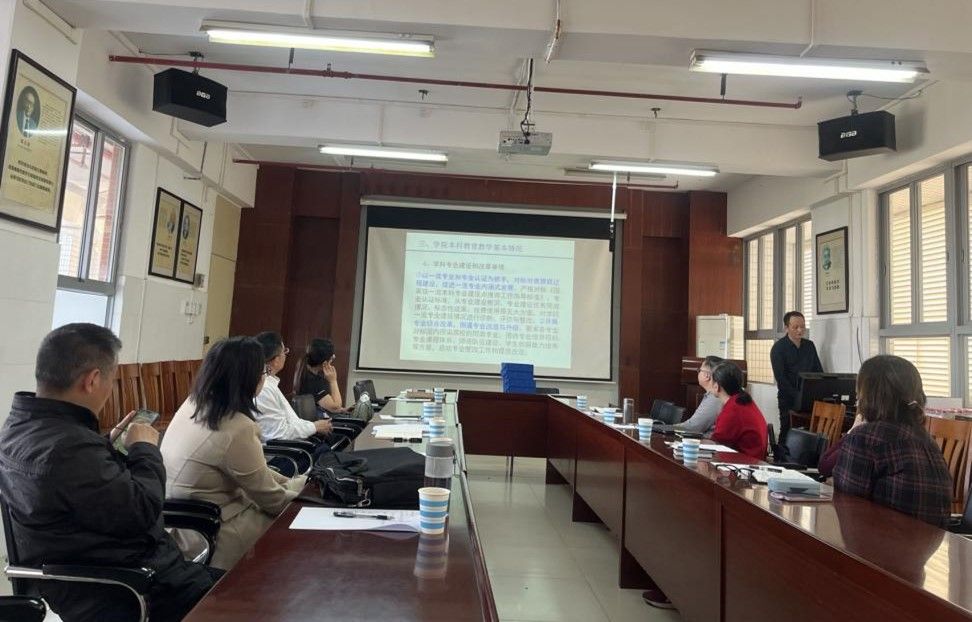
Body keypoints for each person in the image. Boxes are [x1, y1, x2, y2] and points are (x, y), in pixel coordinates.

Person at [0, 323, 217, 621]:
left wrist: (106, 445)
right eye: (111, 379)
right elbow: (143, 509)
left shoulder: (19, 427)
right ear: (92, 380)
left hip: (85, 579)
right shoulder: (71, 448)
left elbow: (73, 484)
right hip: (131, 589)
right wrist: (144, 448)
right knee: (253, 598)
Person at [161, 336, 306, 570]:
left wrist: (296, 483)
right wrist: (310, 497)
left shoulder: (194, 403)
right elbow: (272, 500)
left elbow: (254, 472)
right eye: (263, 371)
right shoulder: (236, 427)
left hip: (181, 525)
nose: (265, 376)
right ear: (248, 378)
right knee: (298, 533)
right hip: (214, 532)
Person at [832, 355, 951, 527]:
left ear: (868, 395)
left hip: (882, 541)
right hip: (930, 543)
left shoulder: (864, 438)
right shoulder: (926, 440)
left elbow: (846, 510)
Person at [253, 331, 333, 442]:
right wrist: (314, 427)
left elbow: (292, 422)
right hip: (290, 449)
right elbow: (279, 434)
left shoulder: (270, 384)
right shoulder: (263, 389)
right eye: (284, 351)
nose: (286, 355)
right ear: (276, 360)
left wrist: (315, 426)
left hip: (298, 443)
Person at [770, 311, 823, 443]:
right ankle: (781, 455)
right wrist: (798, 396)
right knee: (787, 430)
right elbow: (781, 379)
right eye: (795, 327)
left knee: (810, 432)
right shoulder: (778, 348)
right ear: (786, 328)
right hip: (788, 399)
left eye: (802, 327)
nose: (800, 330)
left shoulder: (809, 346)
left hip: (810, 399)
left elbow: (818, 372)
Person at [710, 361, 768, 459]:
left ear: (717, 386)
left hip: (745, 463)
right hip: (753, 460)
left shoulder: (733, 409)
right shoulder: (742, 400)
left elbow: (716, 444)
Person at [292, 338, 349, 414]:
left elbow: (332, 406)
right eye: (331, 359)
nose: (332, 361)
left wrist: (341, 409)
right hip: (319, 420)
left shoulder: (306, 370)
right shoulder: (312, 381)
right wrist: (333, 381)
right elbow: (335, 407)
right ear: (324, 363)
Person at [675, 355, 724, 436]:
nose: (698, 373)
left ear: (707, 375)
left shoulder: (715, 397)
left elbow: (694, 427)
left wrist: (668, 428)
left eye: (699, 370)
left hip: (709, 441)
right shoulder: (712, 395)